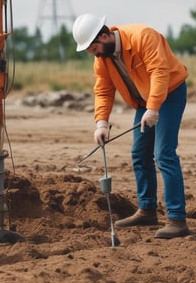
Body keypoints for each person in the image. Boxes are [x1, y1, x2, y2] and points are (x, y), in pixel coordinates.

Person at [72, 13, 189, 239]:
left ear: (104, 36)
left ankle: (177, 219)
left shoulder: (142, 36)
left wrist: (154, 108)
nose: (91, 53)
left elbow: (159, 71)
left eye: (92, 48)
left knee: (163, 154)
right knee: (139, 153)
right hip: (144, 102)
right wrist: (101, 123)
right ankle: (147, 210)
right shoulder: (102, 59)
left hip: (170, 93)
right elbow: (104, 90)